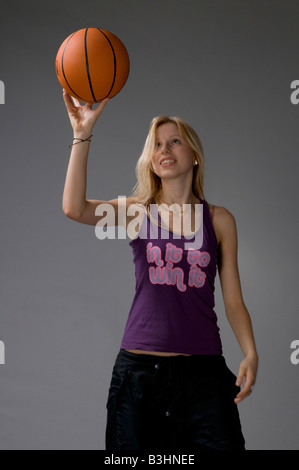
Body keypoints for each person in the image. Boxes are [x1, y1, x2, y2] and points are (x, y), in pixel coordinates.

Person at [62, 89, 258, 451]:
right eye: (157, 145)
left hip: (204, 376)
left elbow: (233, 302)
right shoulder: (139, 212)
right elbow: (74, 208)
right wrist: (81, 133)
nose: (164, 150)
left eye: (174, 142)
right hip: (138, 376)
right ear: (151, 161)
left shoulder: (220, 220)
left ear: (194, 155)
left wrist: (250, 352)